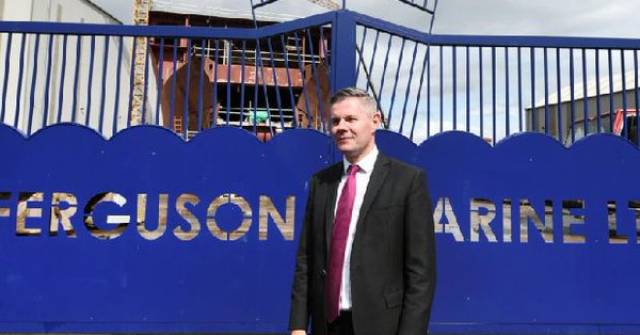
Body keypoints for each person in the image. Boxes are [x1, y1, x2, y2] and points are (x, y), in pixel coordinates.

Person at [289, 87, 436, 335]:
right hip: (327, 324)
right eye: (335, 121)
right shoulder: (321, 182)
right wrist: (298, 325)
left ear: (375, 121)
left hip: (382, 324)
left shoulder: (408, 181)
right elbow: (307, 259)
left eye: (350, 119)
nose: (341, 127)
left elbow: (421, 272)